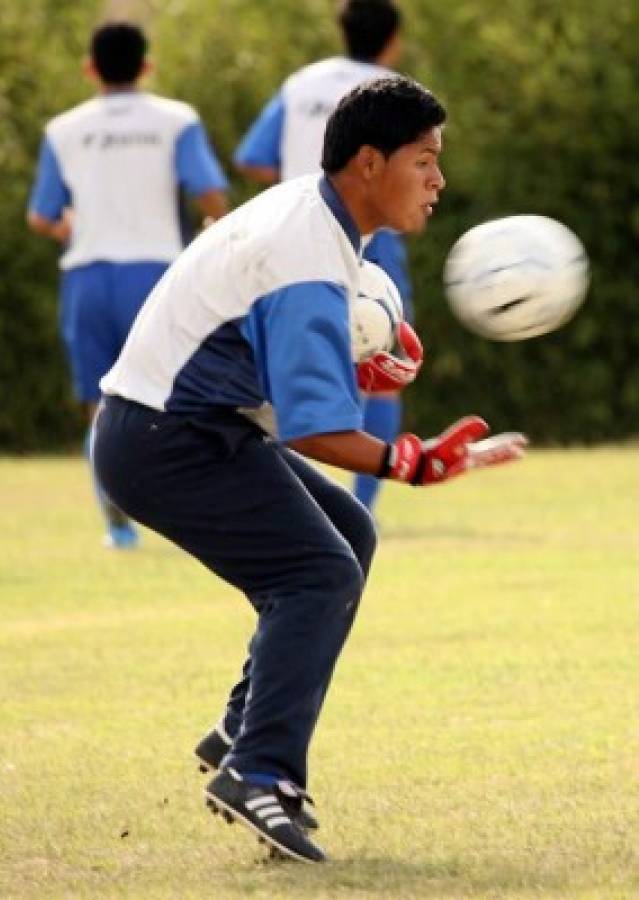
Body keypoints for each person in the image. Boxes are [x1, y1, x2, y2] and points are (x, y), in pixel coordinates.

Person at [93, 76, 527, 863]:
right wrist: (419, 462)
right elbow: (317, 430)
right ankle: (259, 772)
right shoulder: (306, 249)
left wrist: (342, 363)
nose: (438, 180)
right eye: (424, 160)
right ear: (367, 162)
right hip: (165, 441)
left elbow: (252, 350)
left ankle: (241, 727)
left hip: (181, 427)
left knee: (346, 533)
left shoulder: (311, 218)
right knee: (317, 573)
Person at [27, 21, 228, 549]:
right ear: (147, 66)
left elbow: (41, 216)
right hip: (159, 276)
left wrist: (69, 226)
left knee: (100, 406)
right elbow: (209, 193)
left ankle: (118, 527)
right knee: (181, 399)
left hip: (88, 276)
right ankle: (194, 510)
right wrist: (215, 235)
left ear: (90, 68)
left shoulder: (63, 128)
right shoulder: (175, 120)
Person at [234, 0, 413, 515]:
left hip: (289, 240)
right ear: (393, 39)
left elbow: (250, 156)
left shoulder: (299, 84)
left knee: (282, 370)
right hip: (372, 242)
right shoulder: (395, 94)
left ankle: (292, 498)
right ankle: (366, 503)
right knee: (382, 364)